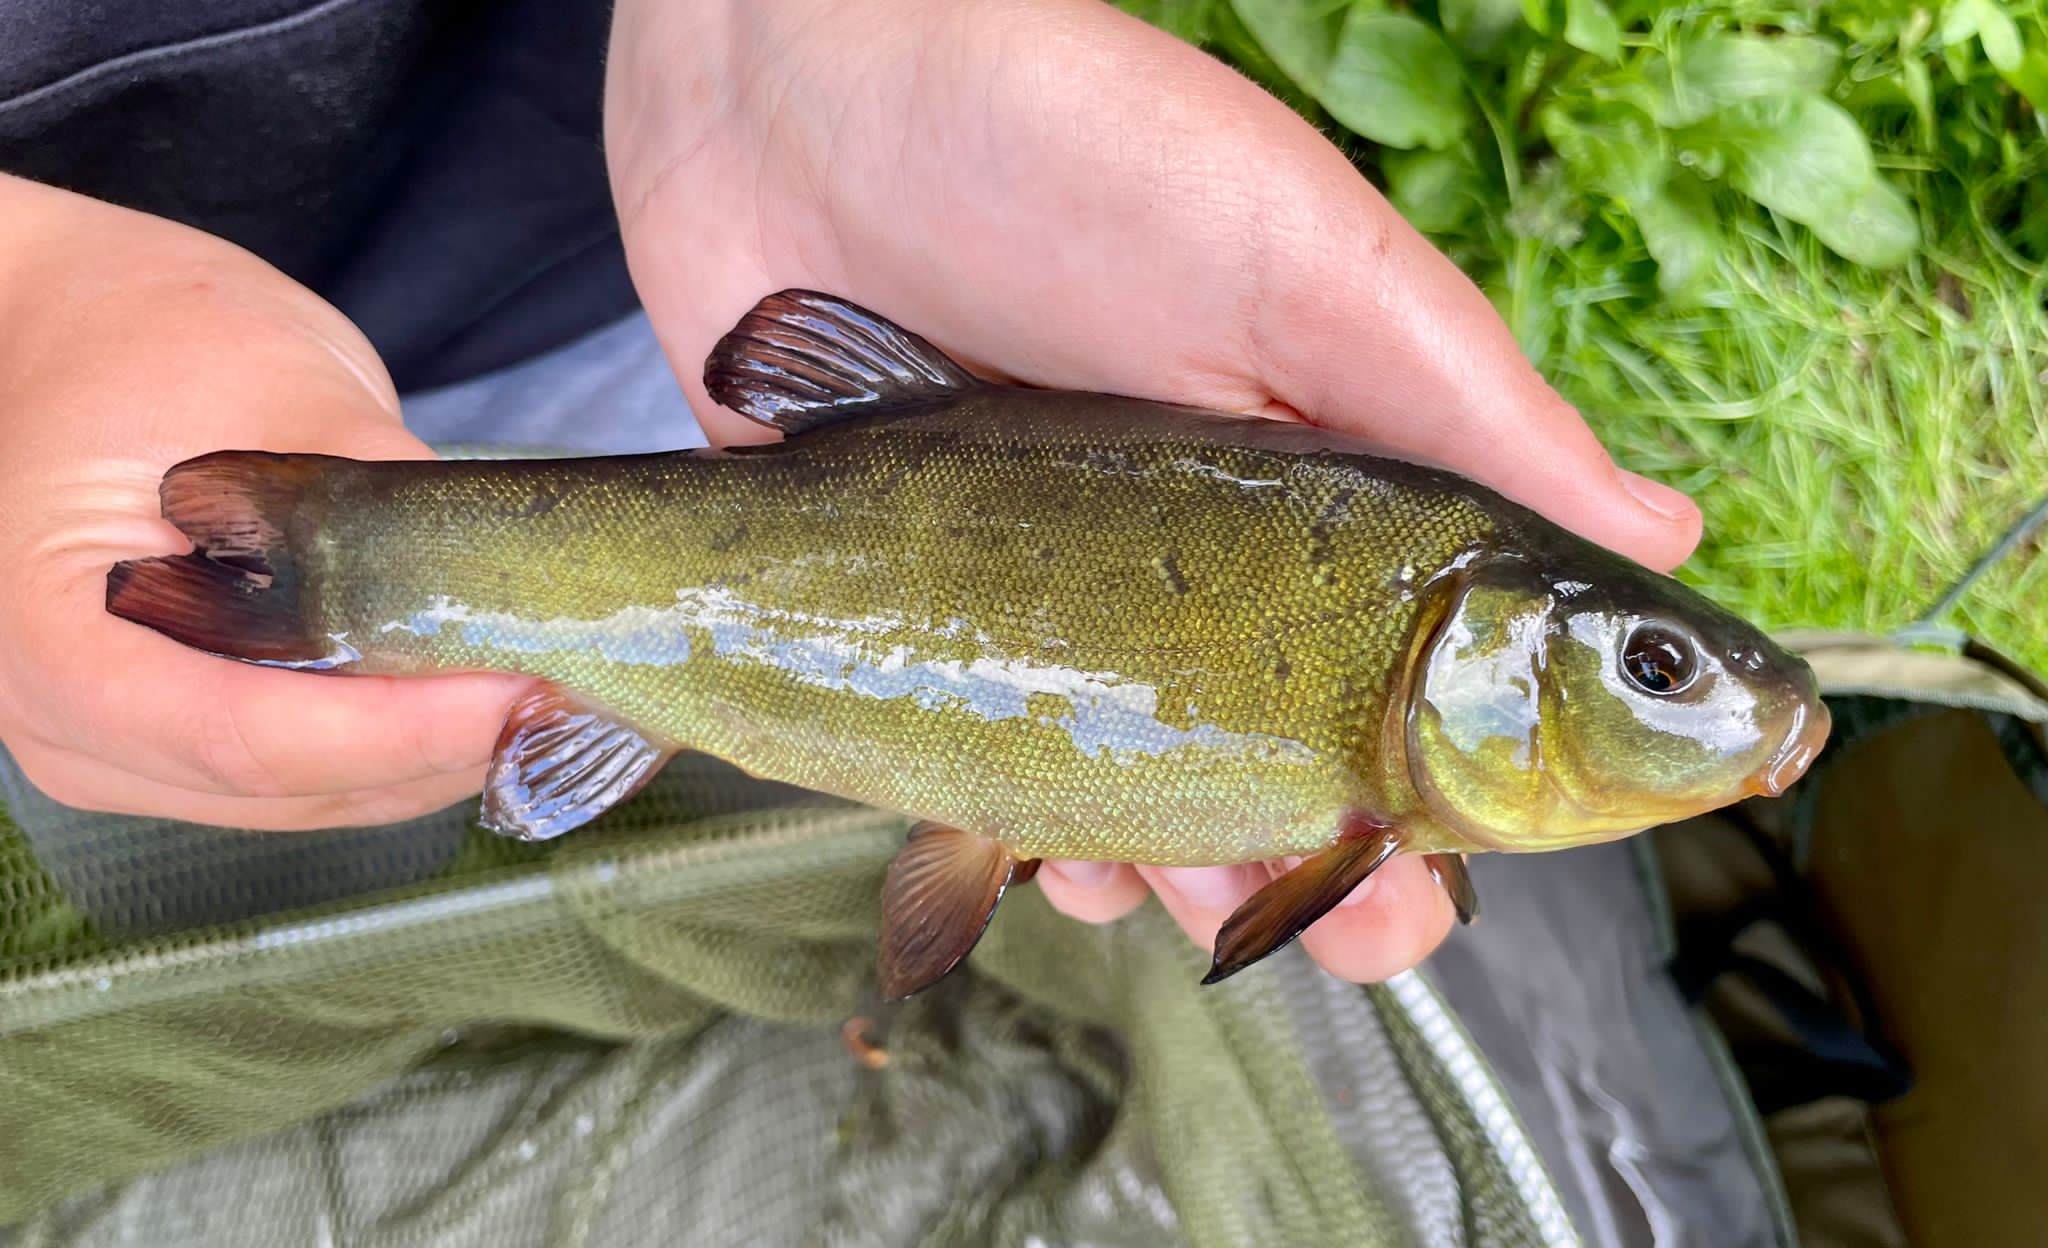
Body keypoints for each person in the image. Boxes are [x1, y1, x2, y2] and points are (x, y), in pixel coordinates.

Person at [0, 0, 1700, 986]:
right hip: (64, 371)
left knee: (373, 742)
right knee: (213, 769)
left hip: (634, 216)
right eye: (1655, 666)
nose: (1694, 708)